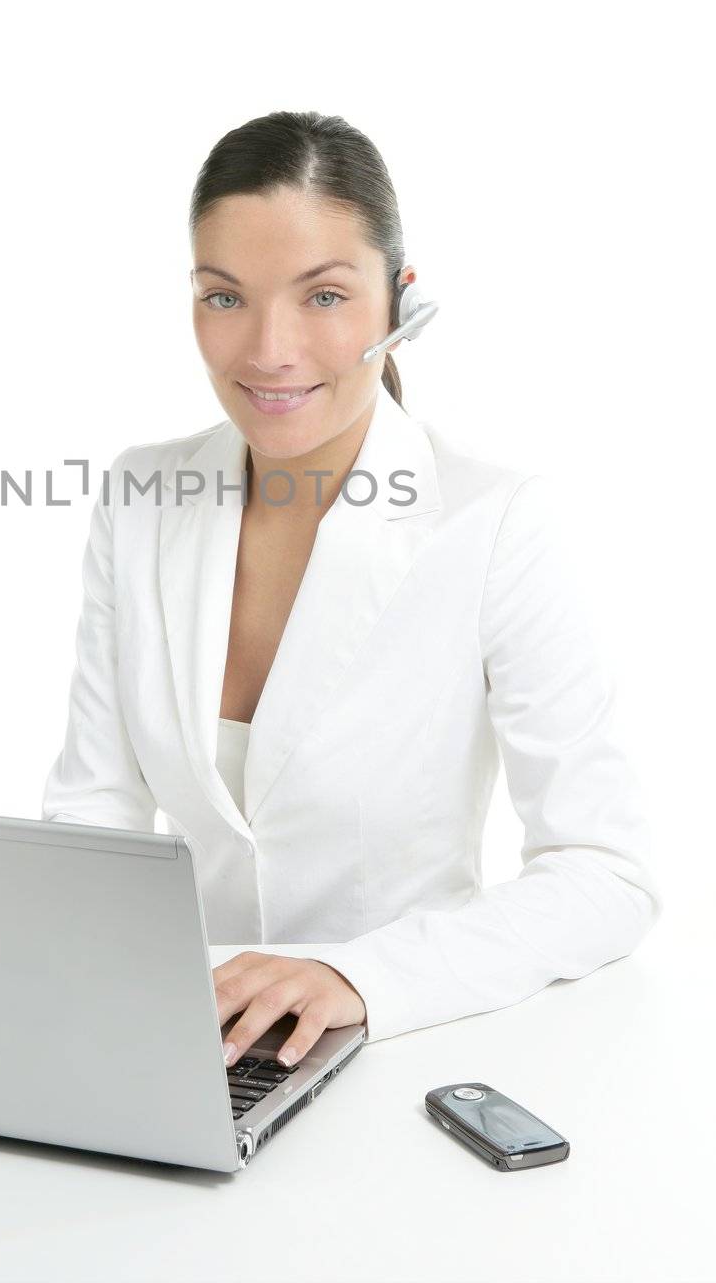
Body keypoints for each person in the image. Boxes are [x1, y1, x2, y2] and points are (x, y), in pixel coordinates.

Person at [41, 109, 662, 1067]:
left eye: (324, 297)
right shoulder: (141, 495)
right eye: (224, 297)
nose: (268, 350)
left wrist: (361, 979)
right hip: (179, 1047)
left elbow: (602, 874)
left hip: (405, 1049)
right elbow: (94, 810)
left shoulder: (495, 522)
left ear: (400, 304)